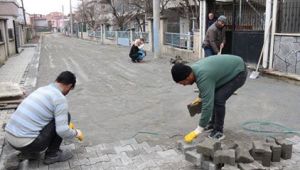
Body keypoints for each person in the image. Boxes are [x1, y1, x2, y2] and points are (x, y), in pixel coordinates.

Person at [5, 71, 83, 165]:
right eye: (70, 89)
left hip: (10, 138)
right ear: (69, 86)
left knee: (44, 118)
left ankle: (28, 153)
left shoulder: (42, 89)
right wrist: (76, 133)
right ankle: (52, 154)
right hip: (27, 142)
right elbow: (62, 131)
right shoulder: (59, 98)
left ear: (57, 81)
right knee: (66, 115)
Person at [171, 55, 247, 142]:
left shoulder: (203, 75)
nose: (184, 85)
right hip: (230, 68)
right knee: (213, 96)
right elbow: (205, 86)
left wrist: (199, 129)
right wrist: (200, 97)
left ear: (188, 77)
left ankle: (218, 131)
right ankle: (213, 124)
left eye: (183, 83)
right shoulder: (193, 70)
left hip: (239, 72)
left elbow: (208, 104)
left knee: (218, 99)